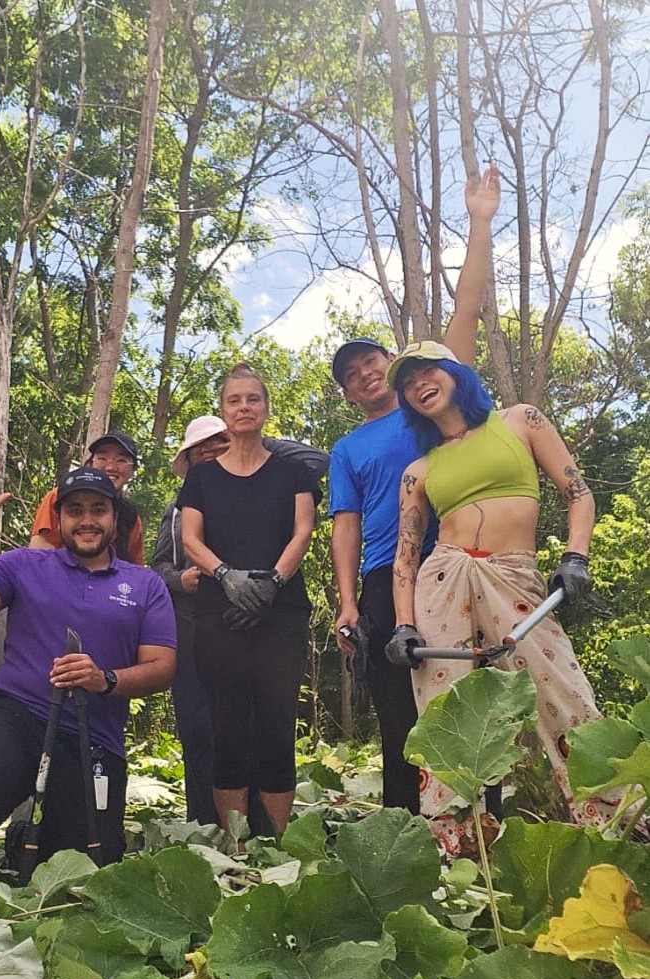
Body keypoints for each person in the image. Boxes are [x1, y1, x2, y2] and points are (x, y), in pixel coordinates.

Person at [385, 339, 614, 857]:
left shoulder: (520, 421)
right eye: (406, 381)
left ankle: (610, 826)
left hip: (515, 578)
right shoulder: (419, 471)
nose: (418, 383)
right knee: (448, 713)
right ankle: (461, 850)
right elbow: (405, 556)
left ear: (454, 371)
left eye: (427, 370)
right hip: (443, 583)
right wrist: (403, 624)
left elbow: (577, 493)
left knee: (561, 692)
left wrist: (575, 557)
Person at [328, 165, 501, 814]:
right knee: (398, 713)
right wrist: (347, 603)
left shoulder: (424, 403)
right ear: (347, 392)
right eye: (351, 373)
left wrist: (478, 219)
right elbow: (343, 524)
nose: (363, 373)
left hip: (452, 562)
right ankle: (409, 834)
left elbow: (464, 313)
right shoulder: (346, 448)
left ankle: (486, 829)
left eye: (370, 360)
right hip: (381, 577)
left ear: (391, 366)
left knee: (467, 703)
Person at [0, 463, 176, 875]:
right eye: (75, 510)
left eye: (98, 509)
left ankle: (25, 845)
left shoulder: (146, 585)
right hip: (18, 715)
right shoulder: (23, 565)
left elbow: (161, 668)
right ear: (59, 520)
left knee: (89, 865)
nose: (87, 520)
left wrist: (105, 679)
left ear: (114, 518)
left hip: (93, 737)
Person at [179, 364, 315, 836]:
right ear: (223, 410)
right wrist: (226, 576)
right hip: (220, 614)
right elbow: (190, 537)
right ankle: (237, 846)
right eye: (234, 400)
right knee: (228, 725)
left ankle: (275, 842)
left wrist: (272, 583)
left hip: (282, 613)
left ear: (265, 408)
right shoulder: (202, 479)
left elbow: (303, 531)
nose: (243, 408)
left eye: (252, 399)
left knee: (276, 724)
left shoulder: (291, 471)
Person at [152, 415, 230, 824]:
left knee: (243, 723)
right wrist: (181, 580)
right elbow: (158, 566)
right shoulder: (178, 511)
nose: (212, 452)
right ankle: (203, 821)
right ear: (190, 458)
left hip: (243, 627)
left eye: (221, 444)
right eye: (203, 448)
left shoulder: (253, 496)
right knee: (197, 726)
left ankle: (248, 821)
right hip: (191, 626)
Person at [30, 430, 145, 564]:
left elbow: (136, 569)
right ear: (91, 463)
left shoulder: (130, 516)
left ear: (133, 471)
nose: (111, 467)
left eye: (121, 460)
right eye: (102, 458)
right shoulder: (60, 497)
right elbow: (38, 555)